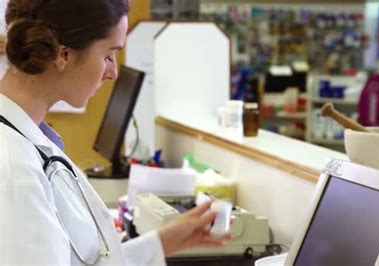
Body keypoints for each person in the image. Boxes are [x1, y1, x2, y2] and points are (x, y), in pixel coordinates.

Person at [0, 0, 230, 265]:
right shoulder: (15, 170)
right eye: (108, 55)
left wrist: (160, 243)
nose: (113, 72)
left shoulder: (27, 142)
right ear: (63, 55)